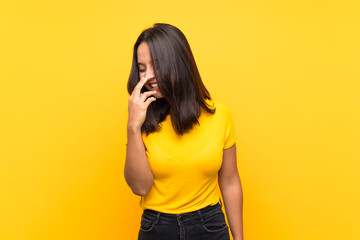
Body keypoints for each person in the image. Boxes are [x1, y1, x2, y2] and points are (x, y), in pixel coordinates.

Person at [125, 23, 244, 240]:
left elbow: (230, 181)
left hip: (210, 225)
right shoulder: (141, 118)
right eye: (142, 68)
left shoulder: (220, 116)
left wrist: (239, 238)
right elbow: (140, 187)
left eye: (157, 65)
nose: (149, 76)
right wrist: (133, 127)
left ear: (179, 62)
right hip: (157, 227)